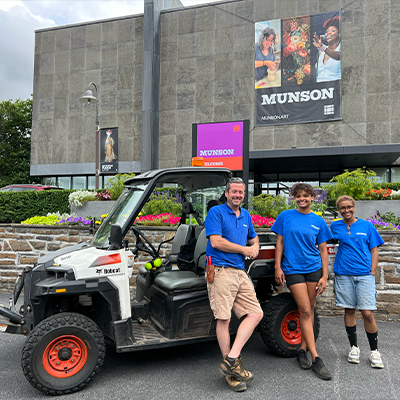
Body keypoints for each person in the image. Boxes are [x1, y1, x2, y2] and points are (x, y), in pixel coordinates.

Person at [204, 177, 263, 392]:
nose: (238, 195)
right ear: (227, 193)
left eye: (241, 192)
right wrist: (244, 250)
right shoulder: (216, 213)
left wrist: (254, 246)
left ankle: (231, 359)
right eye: (234, 192)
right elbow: (216, 242)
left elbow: (253, 238)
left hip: (239, 272)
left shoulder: (245, 215)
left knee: (256, 313)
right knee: (224, 318)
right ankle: (232, 369)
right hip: (220, 270)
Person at [271, 183, 333, 380]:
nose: (302, 199)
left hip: (314, 269)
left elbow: (323, 250)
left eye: (306, 196)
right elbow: (279, 242)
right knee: (305, 310)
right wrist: (277, 266)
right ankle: (316, 358)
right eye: (298, 196)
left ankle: (302, 350)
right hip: (293, 269)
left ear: (312, 198)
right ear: (294, 198)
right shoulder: (285, 216)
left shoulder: (319, 221)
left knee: (310, 309)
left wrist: (325, 275)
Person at [330, 195, 385, 368]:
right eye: (342, 208)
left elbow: (374, 250)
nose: (346, 210)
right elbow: (323, 241)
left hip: (364, 275)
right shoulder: (335, 226)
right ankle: (354, 348)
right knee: (349, 309)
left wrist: (373, 271)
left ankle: (374, 351)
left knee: (367, 312)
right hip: (344, 274)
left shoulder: (367, 226)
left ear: (354, 207)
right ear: (338, 210)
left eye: (349, 207)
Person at [313, 15, 341, 82]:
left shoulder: (342, 47)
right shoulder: (321, 52)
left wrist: (322, 47)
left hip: (336, 88)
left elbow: (338, 56)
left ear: (339, 34)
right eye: (327, 31)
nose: (328, 33)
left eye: (333, 31)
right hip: (321, 89)